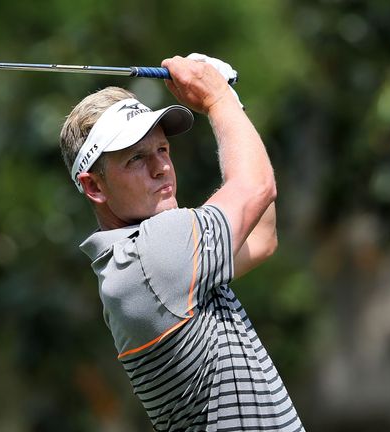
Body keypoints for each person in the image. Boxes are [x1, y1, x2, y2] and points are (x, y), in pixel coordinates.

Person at [59, 54, 304, 431]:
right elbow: (257, 186)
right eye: (136, 158)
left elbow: (263, 234)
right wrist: (218, 99)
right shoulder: (149, 255)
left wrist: (228, 102)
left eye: (162, 150)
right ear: (94, 186)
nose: (161, 167)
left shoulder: (140, 262)